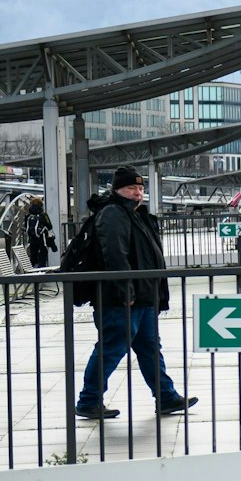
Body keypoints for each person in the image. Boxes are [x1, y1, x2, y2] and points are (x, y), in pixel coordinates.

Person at [75, 167, 197, 420]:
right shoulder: (113, 214)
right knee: (111, 348)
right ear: (117, 190)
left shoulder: (135, 214)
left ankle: (166, 397)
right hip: (121, 299)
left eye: (141, 189)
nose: (138, 193)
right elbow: (115, 254)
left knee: (150, 349)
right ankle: (88, 400)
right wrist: (125, 289)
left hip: (142, 297)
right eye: (132, 188)